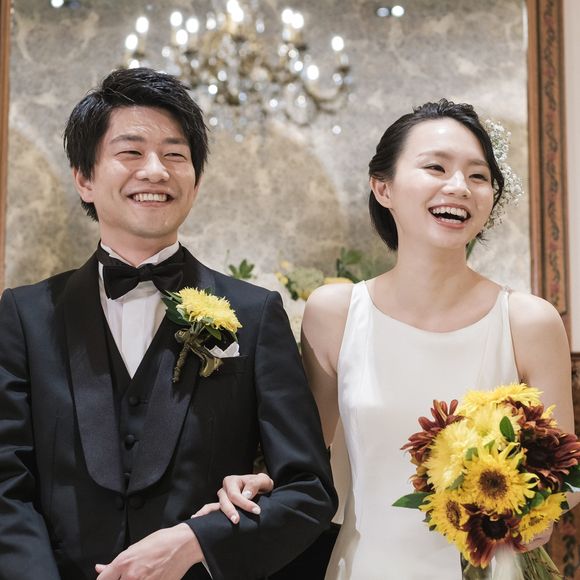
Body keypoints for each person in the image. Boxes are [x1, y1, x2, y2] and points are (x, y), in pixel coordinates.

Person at [208, 99, 576, 578]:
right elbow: (305, 463)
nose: (459, 186)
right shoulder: (335, 313)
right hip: (367, 564)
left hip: (492, 568)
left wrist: (537, 514)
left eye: (478, 175)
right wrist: (258, 483)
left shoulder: (529, 321)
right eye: (436, 167)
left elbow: (565, 476)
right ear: (383, 187)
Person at [0, 67, 336, 580]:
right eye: (131, 152)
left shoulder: (254, 313)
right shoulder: (26, 315)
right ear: (84, 179)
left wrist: (198, 541)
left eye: (175, 155)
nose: (155, 171)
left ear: (195, 182)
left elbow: (308, 491)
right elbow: (7, 484)